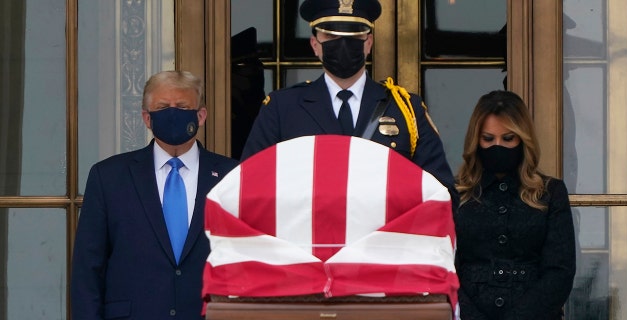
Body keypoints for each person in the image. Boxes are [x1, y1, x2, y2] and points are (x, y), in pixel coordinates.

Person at [240, 0, 457, 203]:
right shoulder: (282, 108)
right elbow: (249, 188)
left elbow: (440, 194)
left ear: (368, 43)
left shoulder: (406, 110)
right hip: (307, 240)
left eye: (353, 37)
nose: (343, 44)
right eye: (332, 37)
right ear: (315, 44)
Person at [71, 70, 239, 319]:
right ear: (147, 118)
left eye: (182, 106)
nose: (173, 113)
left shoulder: (233, 176)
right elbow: (88, 268)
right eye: (162, 107)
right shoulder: (109, 177)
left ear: (201, 115)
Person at [454, 90, 576, 319]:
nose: (497, 146)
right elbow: (445, 268)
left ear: (523, 139)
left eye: (508, 139)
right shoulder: (455, 194)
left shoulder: (551, 193)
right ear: (475, 140)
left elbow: (559, 272)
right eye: (488, 139)